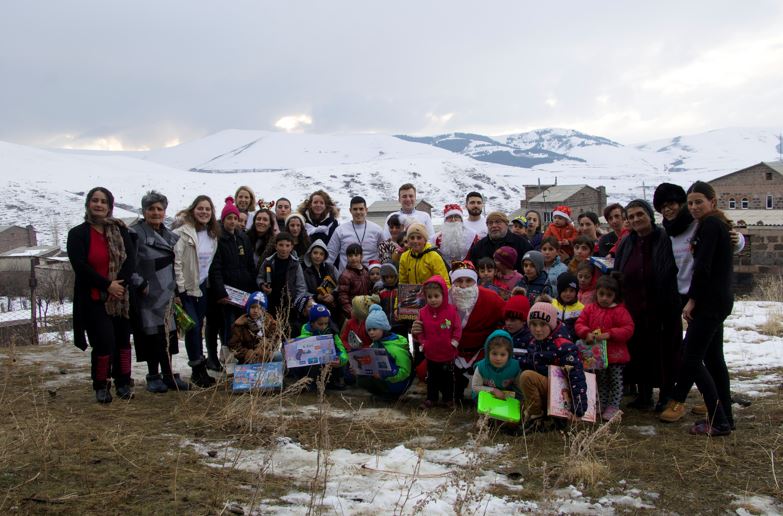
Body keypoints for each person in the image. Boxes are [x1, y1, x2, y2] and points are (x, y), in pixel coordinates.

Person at [659, 182, 735, 436]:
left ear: (712, 201)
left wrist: (692, 300)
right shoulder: (712, 224)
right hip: (717, 300)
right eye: (691, 203)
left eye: (698, 202)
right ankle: (726, 417)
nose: (693, 207)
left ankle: (719, 420)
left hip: (708, 301)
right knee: (713, 357)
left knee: (690, 356)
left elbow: (702, 268)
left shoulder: (711, 225)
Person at [67, 187, 136, 403]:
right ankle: (101, 384)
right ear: (88, 204)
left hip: (121, 297)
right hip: (94, 297)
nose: (99, 205)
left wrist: (119, 286)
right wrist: (107, 285)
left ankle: (123, 382)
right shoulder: (78, 234)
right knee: (104, 341)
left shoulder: (120, 231)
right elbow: (80, 266)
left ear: (110, 206)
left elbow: (130, 260)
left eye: (103, 201)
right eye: (95, 200)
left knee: (123, 341)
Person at [614, 199, 681, 412]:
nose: (635, 219)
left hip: (662, 306)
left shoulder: (664, 238)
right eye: (631, 216)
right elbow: (618, 272)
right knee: (639, 351)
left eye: (639, 214)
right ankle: (644, 396)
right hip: (633, 307)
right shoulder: (627, 243)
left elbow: (672, 270)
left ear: (650, 215)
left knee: (664, 351)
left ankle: (666, 395)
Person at [129, 190, 189, 393]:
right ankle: (153, 375)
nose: (156, 213)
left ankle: (169, 374)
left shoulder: (169, 235)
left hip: (167, 292)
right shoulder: (135, 234)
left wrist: (178, 293)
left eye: (160, 209)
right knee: (151, 335)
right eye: (151, 209)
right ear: (144, 211)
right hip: (147, 293)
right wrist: (139, 283)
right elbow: (128, 264)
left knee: (168, 335)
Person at [173, 195, 220, 388]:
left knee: (199, 325)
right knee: (191, 327)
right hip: (186, 287)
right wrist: (180, 290)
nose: (204, 212)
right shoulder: (182, 233)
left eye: (208, 209)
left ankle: (201, 369)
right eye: (200, 208)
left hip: (201, 287)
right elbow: (177, 262)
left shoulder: (212, 235)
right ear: (193, 210)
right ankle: (196, 369)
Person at [518, 302, 588, 432]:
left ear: (551, 324)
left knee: (526, 376)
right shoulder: (534, 342)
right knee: (521, 374)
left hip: (561, 394)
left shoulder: (562, 345)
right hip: (547, 388)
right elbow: (529, 363)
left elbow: (576, 377)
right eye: (533, 324)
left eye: (543, 324)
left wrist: (579, 408)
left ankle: (537, 417)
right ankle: (541, 413)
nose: (538, 329)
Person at [575, 274, 635, 421]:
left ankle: (613, 406)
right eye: (601, 294)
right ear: (596, 293)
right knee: (600, 380)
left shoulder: (620, 311)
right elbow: (579, 323)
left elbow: (628, 329)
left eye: (609, 295)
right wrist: (586, 333)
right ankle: (600, 403)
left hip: (616, 355)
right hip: (597, 355)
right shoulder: (590, 309)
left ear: (615, 295)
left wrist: (611, 334)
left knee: (615, 380)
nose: (604, 298)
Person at [442, 261, 506, 398]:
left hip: (481, 351)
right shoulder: (444, 299)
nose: (464, 286)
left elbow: (508, 316)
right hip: (453, 351)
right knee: (427, 372)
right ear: (453, 282)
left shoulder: (490, 298)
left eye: (468, 281)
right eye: (459, 281)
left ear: (475, 281)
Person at [209, 197, 258, 367]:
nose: (232, 221)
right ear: (223, 219)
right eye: (229, 218)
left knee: (244, 325)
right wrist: (220, 291)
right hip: (227, 293)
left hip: (243, 292)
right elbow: (215, 267)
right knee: (228, 327)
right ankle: (228, 360)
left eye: (235, 218)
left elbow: (250, 265)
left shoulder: (243, 238)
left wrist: (253, 288)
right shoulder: (218, 238)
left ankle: (243, 358)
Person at [413, 276, 461, 409]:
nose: (433, 300)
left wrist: (454, 342)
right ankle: (431, 398)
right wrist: (423, 343)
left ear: (443, 295)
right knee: (432, 378)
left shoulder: (451, 310)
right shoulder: (422, 312)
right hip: (431, 352)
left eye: (436, 296)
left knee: (448, 378)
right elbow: (419, 330)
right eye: (429, 297)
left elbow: (457, 327)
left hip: (447, 352)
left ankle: (448, 399)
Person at [257, 232, 310, 336]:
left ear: (291, 247)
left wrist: (297, 304)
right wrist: (262, 285)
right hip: (271, 304)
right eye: (281, 245)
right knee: (271, 333)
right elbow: (260, 277)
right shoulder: (268, 261)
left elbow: (301, 286)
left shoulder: (295, 264)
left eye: (287, 245)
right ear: (275, 246)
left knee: (289, 334)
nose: (284, 249)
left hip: (290, 306)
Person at [358, 305, 413, 400]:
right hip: (385, 377)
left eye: (374, 329)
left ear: (383, 328)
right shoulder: (375, 344)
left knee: (369, 379)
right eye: (369, 330)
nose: (371, 332)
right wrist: (359, 367)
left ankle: (392, 394)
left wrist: (384, 376)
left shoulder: (394, 347)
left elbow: (405, 372)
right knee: (361, 378)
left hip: (399, 382)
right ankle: (384, 393)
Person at [297, 304, 348, 390]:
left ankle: (333, 382)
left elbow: (341, 348)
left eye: (326, 323)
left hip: (328, 364)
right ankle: (307, 383)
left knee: (338, 359)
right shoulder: (306, 333)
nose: (324, 327)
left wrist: (341, 360)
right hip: (312, 367)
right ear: (312, 323)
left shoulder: (332, 331)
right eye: (320, 324)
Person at [327, 196, 383, 273]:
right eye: (355, 209)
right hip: (346, 279)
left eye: (361, 209)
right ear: (350, 210)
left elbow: (384, 253)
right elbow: (331, 254)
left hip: (371, 278)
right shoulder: (340, 230)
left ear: (366, 210)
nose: (358, 212)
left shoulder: (377, 230)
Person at [467, 211, 532, 272]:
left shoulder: (522, 244)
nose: (494, 225)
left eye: (498, 222)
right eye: (490, 223)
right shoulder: (478, 248)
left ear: (506, 224)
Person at [227, 291, 279, 366]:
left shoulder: (271, 323)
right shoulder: (239, 325)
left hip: (265, 357)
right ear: (248, 308)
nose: (256, 311)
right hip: (246, 359)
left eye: (260, 308)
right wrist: (249, 354)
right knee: (236, 366)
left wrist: (264, 350)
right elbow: (234, 345)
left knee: (279, 357)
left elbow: (274, 341)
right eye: (253, 307)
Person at [471, 330, 522, 401]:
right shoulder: (481, 367)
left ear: (509, 354)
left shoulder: (515, 367)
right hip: (487, 395)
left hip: (507, 397)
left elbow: (520, 388)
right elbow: (475, 387)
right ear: (488, 352)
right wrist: (493, 390)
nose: (498, 358)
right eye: (494, 354)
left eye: (503, 355)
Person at [301, 239, 339, 330]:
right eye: (315, 253)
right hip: (314, 308)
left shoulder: (331, 268)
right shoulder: (304, 271)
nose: (318, 256)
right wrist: (317, 297)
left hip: (332, 306)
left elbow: (340, 284)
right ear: (310, 254)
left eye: (321, 254)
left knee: (333, 330)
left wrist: (333, 295)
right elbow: (303, 291)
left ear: (325, 256)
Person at [337, 243, 372, 320]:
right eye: (350, 256)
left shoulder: (366, 271)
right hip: (353, 311)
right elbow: (343, 297)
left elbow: (370, 290)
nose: (353, 258)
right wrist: (350, 312)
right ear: (347, 257)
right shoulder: (345, 275)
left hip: (367, 309)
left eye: (356, 255)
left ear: (361, 256)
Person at [551, 272, 583, 341]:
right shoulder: (552, 304)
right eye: (565, 290)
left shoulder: (581, 308)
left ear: (576, 292)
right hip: (553, 340)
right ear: (559, 291)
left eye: (571, 291)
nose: (568, 294)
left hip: (571, 341)